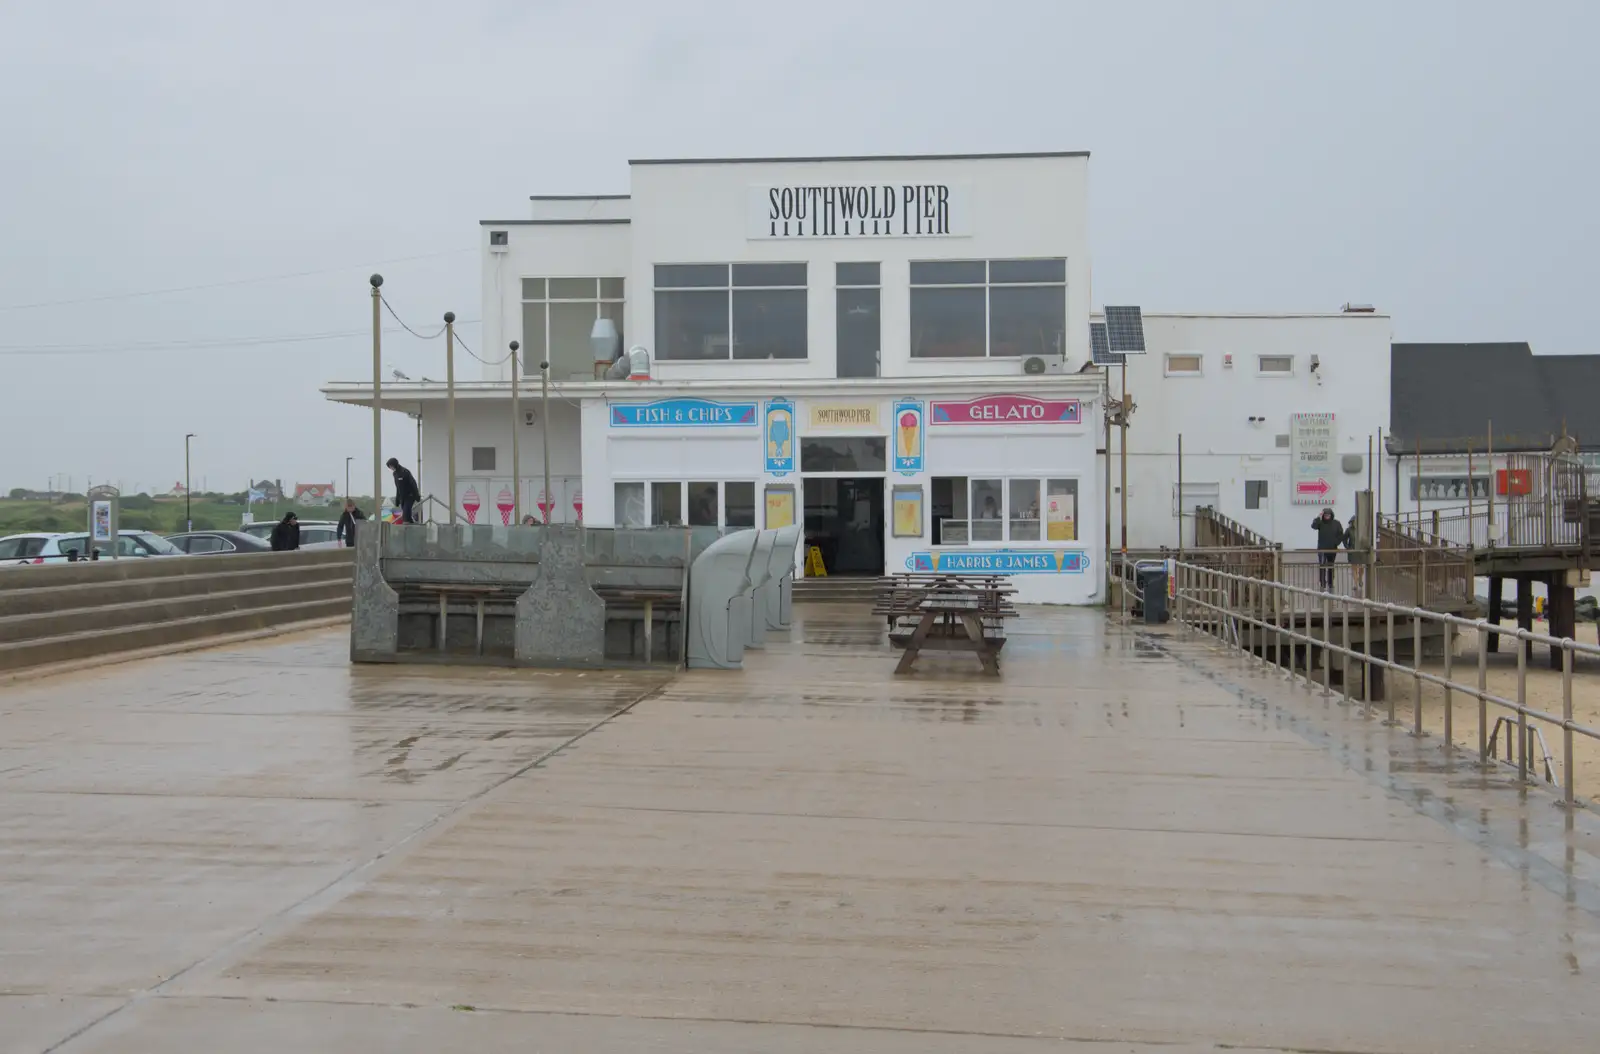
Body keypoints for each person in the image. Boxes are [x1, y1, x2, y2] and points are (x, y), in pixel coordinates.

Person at [1312, 508, 1343, 590]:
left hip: (1332, 549)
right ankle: (1322, 582)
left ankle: (1330, 582)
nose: (1327, 517)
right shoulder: (1320, 523)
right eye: (1325, 515)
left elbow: (1340, 534)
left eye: (1328, 515)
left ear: (1331, 515)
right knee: (1322, 566)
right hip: (1322, 548)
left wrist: (1336, 542)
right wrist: (1318, 517)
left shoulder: (1336, 523)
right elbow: (1313, 526)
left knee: (1331, 566)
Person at [386, 457, 420, 524]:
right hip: (402, 497)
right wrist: (397, 499)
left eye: (391, 466)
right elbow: (398, 487)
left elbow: (413, 483)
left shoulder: (405, 471)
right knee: (407, 515)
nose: (391, 468)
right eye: (389, 467)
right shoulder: (395, 474)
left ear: (395, 464)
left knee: (405, 514)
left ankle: (406, 528)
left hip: (410, 495)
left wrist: (417, 495)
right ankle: (411, 524)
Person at [1342, 514, 1368, 596]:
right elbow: (1344, 539)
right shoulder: (1349, 530)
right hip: (1352, 551)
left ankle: (1360, 579)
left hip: (1361, 551)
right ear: (1352, 522)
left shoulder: (1362, 530)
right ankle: (1355, 584)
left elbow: (1366, 539)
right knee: (1354, 568)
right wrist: (1347, 547)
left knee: (1361, 568)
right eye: (1354, 522)